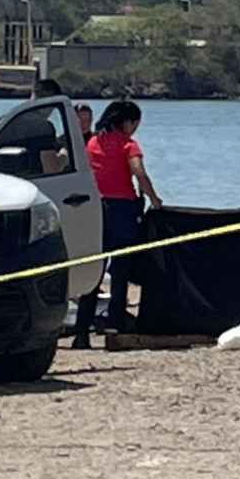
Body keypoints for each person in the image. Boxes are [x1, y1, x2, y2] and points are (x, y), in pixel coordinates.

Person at [71, 100, 163, 350]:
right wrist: (154, 199)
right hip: (122, 211)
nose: (135, 129)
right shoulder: (128, 145)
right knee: (120, 272)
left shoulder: (91, 143)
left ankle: (82, 332)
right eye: (135, 124)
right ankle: (115, 327)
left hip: (95, 210)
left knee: (94, 274)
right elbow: (139, 172)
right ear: (127, 123)